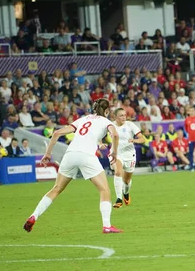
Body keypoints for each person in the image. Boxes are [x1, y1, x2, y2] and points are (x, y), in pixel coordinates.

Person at [23, 98, 123, 234]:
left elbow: (57, 133)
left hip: (70, 154)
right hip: (87, 156)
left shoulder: (83, 119)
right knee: (104, 190)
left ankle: (33, 216)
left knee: (56, 189)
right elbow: (115, 135)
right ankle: (107, 225)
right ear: (106, 111)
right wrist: (114, 153)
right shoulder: (106, 122)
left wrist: (47, 154)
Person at [108, 108, 146, 208]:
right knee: (118, 172)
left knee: (126, 181)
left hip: (129, 155)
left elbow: (142, 139)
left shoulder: (130, 125)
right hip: (116, 153)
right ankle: (119, 199)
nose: (123, 117)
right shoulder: (110, 126)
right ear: (115, 117)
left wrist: (134, 140)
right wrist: (99, 143)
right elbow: (98, 135)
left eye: (124, 115)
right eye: (121, 115)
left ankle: (126, 193)